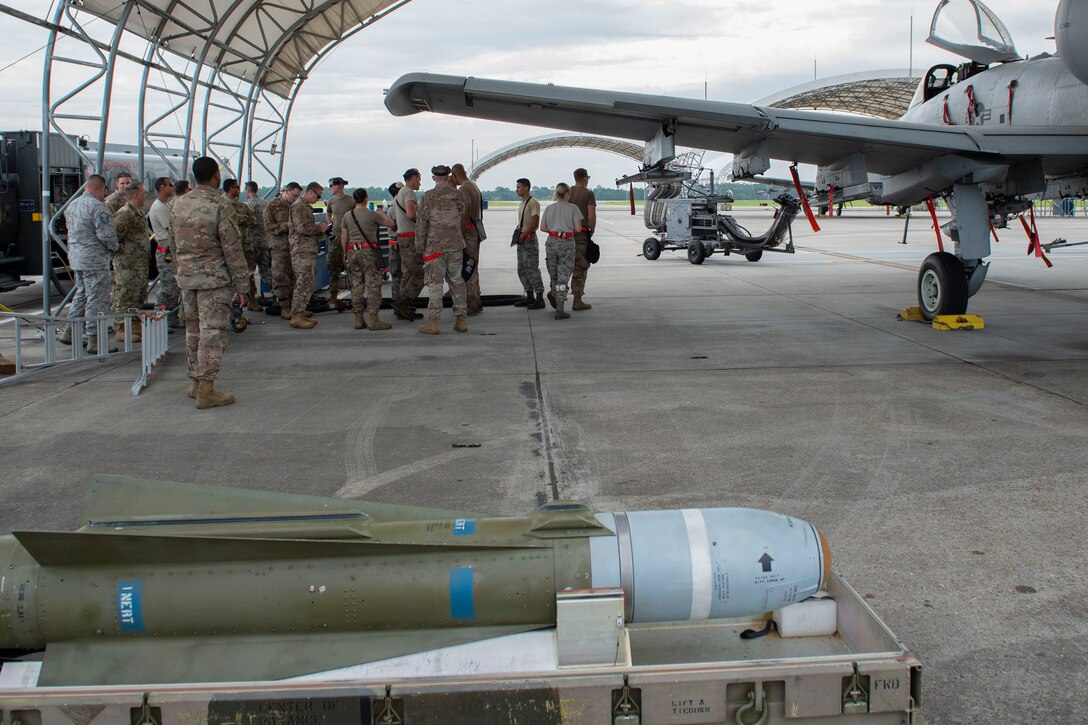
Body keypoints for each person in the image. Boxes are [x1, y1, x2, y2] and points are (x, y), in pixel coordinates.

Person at [171, 156, 249, 409]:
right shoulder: (220, 205)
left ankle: (195, 383)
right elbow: (232, 248)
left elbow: (172, 243)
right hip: (212, 281)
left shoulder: (178, 203)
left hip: (187, 279)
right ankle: (206, 389)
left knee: (192, 331)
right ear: (216, 175)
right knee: (212, 333)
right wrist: (242, 286)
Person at [61, 174, 118, 354]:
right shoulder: (98, 207)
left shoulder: (72, 205)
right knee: (97, 299)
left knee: (81, 294)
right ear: (102, 189)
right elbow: (106, 236)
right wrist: (115, 248)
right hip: (95, 260)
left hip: (76, 258)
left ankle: (70, 331)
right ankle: (95, 339)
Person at [416, 165, 468, 334]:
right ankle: (461, 320)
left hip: (434, 248)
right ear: (448, 177)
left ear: (433, 178)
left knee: (435, 285)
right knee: (457, 282)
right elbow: (462, 212)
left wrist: (419, 246)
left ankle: (433, 323)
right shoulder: (457, 195)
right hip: (455, 246)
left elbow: (421, 223)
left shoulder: (428, 197)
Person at [341, 188, 394, 331]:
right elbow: (391, 224)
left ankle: (358, 319)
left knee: (357, 286)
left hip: (352, 251)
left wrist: (345, 253)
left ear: (354, 200)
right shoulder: (372, 215)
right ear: (366, 199)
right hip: (368, 252)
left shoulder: (347, 215)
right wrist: (382, 213)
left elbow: (344, 236)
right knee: (373, 285)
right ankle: (374, 320)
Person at [110, 182, 149, 343]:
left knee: (138, 296)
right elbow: (113, 239)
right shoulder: (124, 214)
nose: (145, 196)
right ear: (135, 195)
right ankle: (122, 329)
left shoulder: (138, 212)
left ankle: (134, 325)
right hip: (127, 265)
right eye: (143, 193)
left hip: (139, 265)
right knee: (125, 297)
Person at [287, 182, 328, 329]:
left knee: (307, 282)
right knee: (303, 282)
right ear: (310, 192)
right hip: (301, 250)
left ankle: (300, 310)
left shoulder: (305, 207)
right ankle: (296, 315)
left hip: (307, 249)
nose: (318, 199)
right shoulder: (299, 207)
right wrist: (319, 228)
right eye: (317, 196)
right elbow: (302, 228)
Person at [540, 183, 583, 320]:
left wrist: (555, 231)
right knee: (563, 276)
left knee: (553, 273)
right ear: (568, 193)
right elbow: (578, 228)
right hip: (567, 243)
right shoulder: (573, 208)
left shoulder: (549, 208)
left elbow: (542, 227)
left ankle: (554, 292)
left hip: (551, 242)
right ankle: (560, 308)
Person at [148, 177, 182, 329]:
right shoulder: (159, 208)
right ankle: (160, 318)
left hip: (170, 249)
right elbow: (173, 228)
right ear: (162, 187)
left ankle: (172, 318)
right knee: (169, 287)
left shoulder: (165, 205)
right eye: (170, 185)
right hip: (166, 250)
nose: (172, 187)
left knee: (175, 287)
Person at [391, 168, 424, 321]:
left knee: (408, 273)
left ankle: (401, 307)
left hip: (401, 237)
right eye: (419, 179)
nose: (420, 183)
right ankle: (402, 302)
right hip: (410, 238)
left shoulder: (400, 194)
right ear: (413, 178)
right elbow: (411, 214)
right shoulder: (409, 192)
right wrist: (423, 221)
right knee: (419, 274)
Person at [265, 182, 301, 320]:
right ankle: (284, 307)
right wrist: (286, 226)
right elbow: (269, 227)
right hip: (279, 247)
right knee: (280, 277)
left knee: (294, 278)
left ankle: (293, 306)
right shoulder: (272, 206)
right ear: (286, 191)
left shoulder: (296, 206)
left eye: (297, 196)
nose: (295, 198)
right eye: (294, 195)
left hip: (295, 247)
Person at [451, 163, 484, 315]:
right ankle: (476, 299)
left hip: (468, 230)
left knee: (467, 266)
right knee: (473, 266)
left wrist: (459, 233)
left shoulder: (464, 188)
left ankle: (472, 302)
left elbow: (465, 212)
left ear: (454, 175)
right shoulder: (473, 185)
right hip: (475, 229)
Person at [223, 178, 261, 310]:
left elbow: (253, 219)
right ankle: (232, 302)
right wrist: (242, 218)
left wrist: (241, 218)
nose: (239, 190)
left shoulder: (241, 206)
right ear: (230, 188)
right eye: (236, 187)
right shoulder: (222, 204)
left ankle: (251, 299)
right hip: (231, 246)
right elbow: (229, 219)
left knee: (249, 272)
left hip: (245, 244)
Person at [568, 168, 597, 311]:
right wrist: (592, 230)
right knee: (580, 266)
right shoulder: (588, 193)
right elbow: (591, 215)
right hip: (581, 235)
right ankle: (577, 300)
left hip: (566, 234)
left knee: (564, 265)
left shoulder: (568, 192)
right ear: (585, 178)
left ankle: (556, 292)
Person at [513, 178, 544, 309]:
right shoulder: (522, 203)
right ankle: (530, 295)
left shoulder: (533, 203)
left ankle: (539, 297)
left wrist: (523, 235)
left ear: (526, 188)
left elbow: (535, 223)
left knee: (531, 268)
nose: (517, 190)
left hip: (529, 240)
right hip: (522, 239)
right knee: (522, 268)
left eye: (519, 187)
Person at [325, 177, 354, 308]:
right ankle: (333, 297)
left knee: (352, 269)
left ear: (339, 186)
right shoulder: (331, 201)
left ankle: (356, 296)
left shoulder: (351, 201)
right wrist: (331, 224)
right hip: (336, 239)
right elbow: (329, 214)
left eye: (331, 185)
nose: (330, 188)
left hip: (349, 239)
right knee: (334, 268)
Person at [245, 181, 272, 299]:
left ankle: (250, 297)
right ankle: (276, 293)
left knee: (250, 271)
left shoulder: (250, 204)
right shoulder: (265, 203)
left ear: (248, 190)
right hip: (265, 241)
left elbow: (249, 223)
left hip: (254, 242)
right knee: (265, 269)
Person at [386, 181, 405, 303]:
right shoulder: (396, 208)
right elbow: (394, 226)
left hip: (395, 243)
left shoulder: (393, 207)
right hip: (398, 242)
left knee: (397, 275)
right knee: (399, 274)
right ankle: (399, 302)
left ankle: (398, 301)